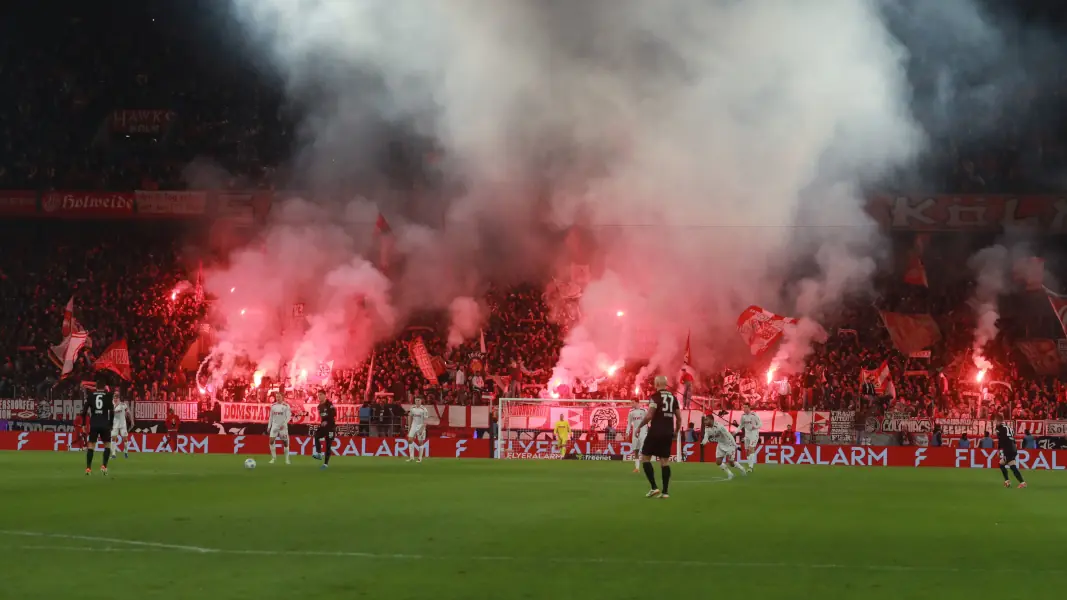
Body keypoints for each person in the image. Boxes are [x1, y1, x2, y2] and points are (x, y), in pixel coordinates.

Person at [636, 375, 682, 499]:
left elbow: (650, 415)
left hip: (656, 431)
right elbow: (679, 418)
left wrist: (639, 426)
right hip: (668, 432)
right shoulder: (674, 398)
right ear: (666, 384)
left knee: (645, 458)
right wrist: (676, 432)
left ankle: (654, 488)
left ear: (656, 384)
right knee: (664, 461)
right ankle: (665, 492)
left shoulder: (655, 397)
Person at [82, 380, 114, 475]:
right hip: (105, 424)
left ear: (96, 387)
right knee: (107, 445)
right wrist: (111, 424)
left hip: (94, 424)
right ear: (104, 387)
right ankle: (104, 466)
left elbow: (84, 411)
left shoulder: (91, 395)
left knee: (91, 446)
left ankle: (88, 468)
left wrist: (84, 424)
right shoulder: (107, 396)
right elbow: (112, 411)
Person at [702, 411, 745, 480]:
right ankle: (730, 474)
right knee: (718, 462)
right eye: (705, 420)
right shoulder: (707, 428)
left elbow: (729, 435)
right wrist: (703, 442)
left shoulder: (720, 426)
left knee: (731, 463)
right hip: (720, 444)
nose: (705, 421)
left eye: (707, 420)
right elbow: (706, 436)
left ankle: (742, 468)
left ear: (712, 420)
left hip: (729, 444)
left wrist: (735, 445)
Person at [995, 420, 1026, 489]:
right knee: (1002, 464)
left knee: (1011, 466)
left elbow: (1001, 439)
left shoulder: (1000, 429)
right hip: (1013, 448)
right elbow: (1012, 439)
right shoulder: (1009, 428)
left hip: (1008, 450)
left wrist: (999, 449)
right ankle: (1008, 481)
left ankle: (1021, 482)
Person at [313, 390, 337, 469]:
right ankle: (319, 453)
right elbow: (322, 416)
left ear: (324, 395)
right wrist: (319, 421)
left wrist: (326, 421)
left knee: (328, 445)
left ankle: (325, 464)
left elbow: (334, 414)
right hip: (324, 426)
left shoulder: (329, 404)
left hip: (330, 427)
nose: (319, 396)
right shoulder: (319, 406)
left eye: (320, 395)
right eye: (318, 395)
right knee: (316, 435)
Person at [267, 391, 291, 465]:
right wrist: (269, 426)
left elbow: (288, 417)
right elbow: (271, 417)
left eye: (279, 397)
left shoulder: (286, 406)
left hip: (283, 427)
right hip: (274, 426)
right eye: (277, 397)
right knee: (271, 441)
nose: (278, 398)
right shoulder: (273, 406)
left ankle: (287, 459)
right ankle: (273, 458)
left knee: (285, 443)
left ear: (282, 397)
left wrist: (283, 425)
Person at [625, 400, 648, 473]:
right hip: (635, 434)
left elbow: (649, 420)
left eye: (633, 402)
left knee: (644, 451)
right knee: (636, 451)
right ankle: (637, 468)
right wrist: (627, 432)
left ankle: (646, 467)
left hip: (643, 433)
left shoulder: (644, 410)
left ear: (637, 403)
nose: (631, 404)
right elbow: (629, 423)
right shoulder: (631, 412)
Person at [738, 404, 762, 473]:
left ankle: (750, 467)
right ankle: (750, 465)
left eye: (746, 407)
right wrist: (736, 431)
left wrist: (755, 427)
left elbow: (760, 424)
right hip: (747, 435)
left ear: (749, 408)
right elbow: (741, 425)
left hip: (754, 434)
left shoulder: (754, 415)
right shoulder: (743, 416)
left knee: (751, 449)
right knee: (747, 452)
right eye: (743, 407)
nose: (744, 408)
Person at [111, 390, 133, 459]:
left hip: (123, 424)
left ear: (119, 399)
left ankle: (126, 452)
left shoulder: (123, 405)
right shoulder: (111, 404)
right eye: (114, 397)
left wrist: (131, 421)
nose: (115, 399)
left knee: (125, 439)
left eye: (116, 398)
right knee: (113, 438)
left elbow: (128, 413)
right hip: (115, 424)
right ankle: (113, 454)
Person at [407, 397, 429, 463]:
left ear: (421, 401)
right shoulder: (412, 408)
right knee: (410, 440)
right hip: (414, 425)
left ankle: (420, 458)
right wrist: (409, 426)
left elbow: (426, 420)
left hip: (420, 426)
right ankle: (411, 457)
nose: (417, 401)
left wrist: (422, 428)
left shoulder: (424, 409)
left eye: (418, 400)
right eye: (416, 400)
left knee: (420, 442)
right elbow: (410, 417)